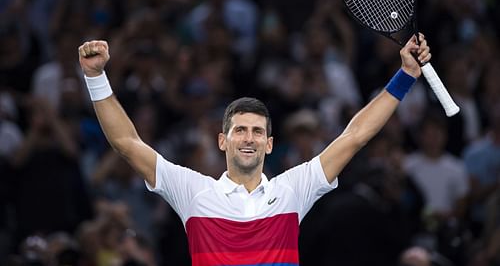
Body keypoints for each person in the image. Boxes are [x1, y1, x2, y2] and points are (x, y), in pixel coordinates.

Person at [78, 33, 431, 265]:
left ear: (269, 143)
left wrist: (406, 75)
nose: (248, 138)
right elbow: (127, 144)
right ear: (223, 141)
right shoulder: (195, 192)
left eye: (257, 132)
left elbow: (354, 136)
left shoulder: (293, 189)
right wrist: (95, 78)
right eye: (240, 130)